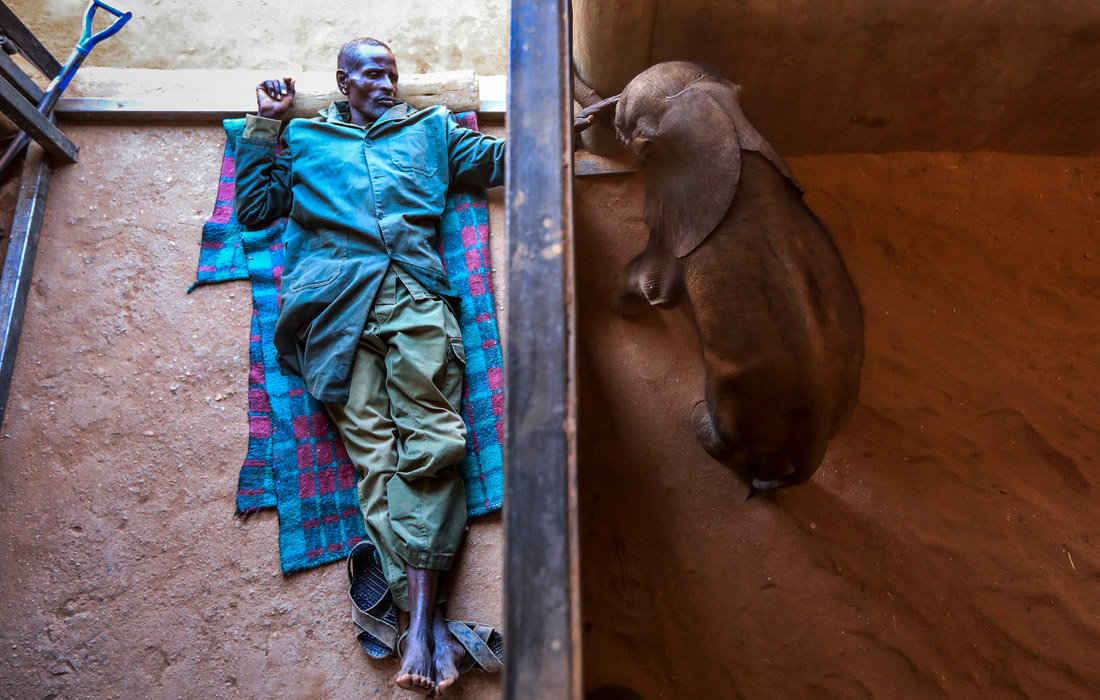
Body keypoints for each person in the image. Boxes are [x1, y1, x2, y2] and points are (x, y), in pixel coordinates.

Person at [233, 37, 504, 696]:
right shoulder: (303, 140)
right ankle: (429, 623)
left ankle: (418, 627)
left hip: (415, 296)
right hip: (330, 310)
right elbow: (254, 210)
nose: (386, 84)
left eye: (392, 74)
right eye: (372, 75)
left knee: (434, 446)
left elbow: (502, 161)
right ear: (343, 81)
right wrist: (264, 123)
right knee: (376, 457)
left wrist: (565, 129)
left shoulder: (432, 131)